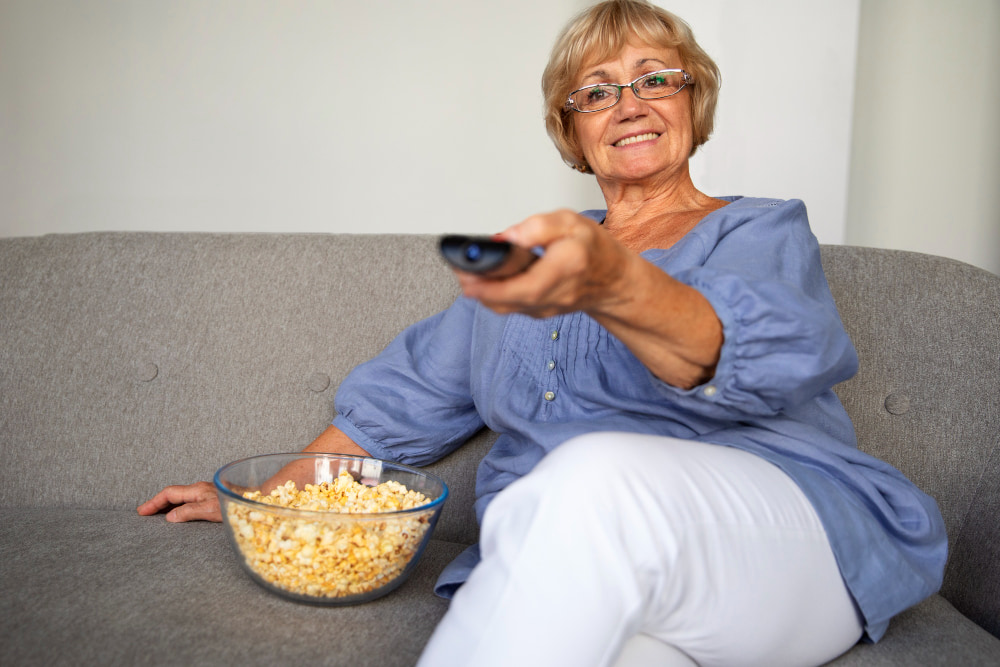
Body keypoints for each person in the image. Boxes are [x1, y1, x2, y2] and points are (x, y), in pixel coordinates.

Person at [139, 2, 947, 665]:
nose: (628, 104)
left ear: (692, 102)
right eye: (596, 92)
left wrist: (611, 280)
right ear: (571, 129)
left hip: (783, 543)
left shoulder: (761, 230)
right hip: (595, 564)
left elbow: (750, 347)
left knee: (590, 472)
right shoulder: (526, 268)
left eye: (653, 80)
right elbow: (401, 403)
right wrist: (270, 502)